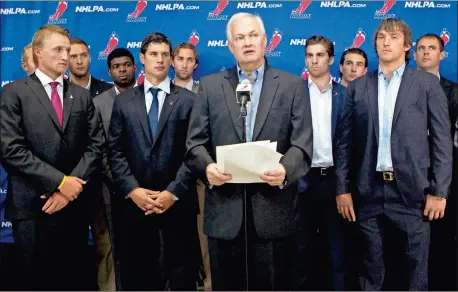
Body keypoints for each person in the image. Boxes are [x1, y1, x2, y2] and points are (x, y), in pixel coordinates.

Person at [185, 12, 312, 290]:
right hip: (225, 211)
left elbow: (302, 143)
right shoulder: (210, 86)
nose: (247, 42)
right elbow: (194, 143)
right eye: (239, 37)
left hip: (273, 209)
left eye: (253, 35)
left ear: (265, 41)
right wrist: (207, 168)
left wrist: (285, 170)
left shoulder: (292, 85)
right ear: (230, 46)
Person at [334, 18, 452, 290]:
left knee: (415, 273)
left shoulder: (425, 84)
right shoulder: (358, 87)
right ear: (374, 43)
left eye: (394, 37)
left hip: (413, 193)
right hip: (368, 191)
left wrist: (439, 192)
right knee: (370, 270)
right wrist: (342, 189)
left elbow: (442, 143)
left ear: (407, 45)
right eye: (381, 37)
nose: (386, 42)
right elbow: (344, 144)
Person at [0, 24, 104, 290]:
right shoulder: (14, 92)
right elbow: (11, 149)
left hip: (73, 205)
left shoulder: (81, 95)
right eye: (57, 49)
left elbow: (96, 145)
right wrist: (60, 182)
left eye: (67, 50)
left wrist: (70, 188)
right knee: (34, 281)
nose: (65, 56)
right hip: (32, 207)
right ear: (38, 53)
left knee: (71, 279)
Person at [108, 32, 198, 291]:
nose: (160, 60)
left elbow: (194, 152)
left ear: (171, 60)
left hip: (177, 202)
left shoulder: (190, 100)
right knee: (139, 274)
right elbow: (115, 151)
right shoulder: (123, 102)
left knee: (182, 274)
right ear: (142, 58)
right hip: (136, 203)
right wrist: (133, 190)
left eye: (164, 55)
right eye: (154, 54)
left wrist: (173, 192)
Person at [293, 35, 347, 291]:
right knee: (300, 250)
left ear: (331, 59)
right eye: (309, 56)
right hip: (301, 179)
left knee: (337, 250)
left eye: (320, 55)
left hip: (335, 180)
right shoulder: (294, 92)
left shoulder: (346, 94)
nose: (314, 61)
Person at [414, 33, 458, 290]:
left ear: (442, 55)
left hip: (445, 178)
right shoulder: (400, 89)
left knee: (442, 241)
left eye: (432, 48)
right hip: (408, 177)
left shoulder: (454, 92)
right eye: (421, 48)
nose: (426, 52)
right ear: (414, 54)